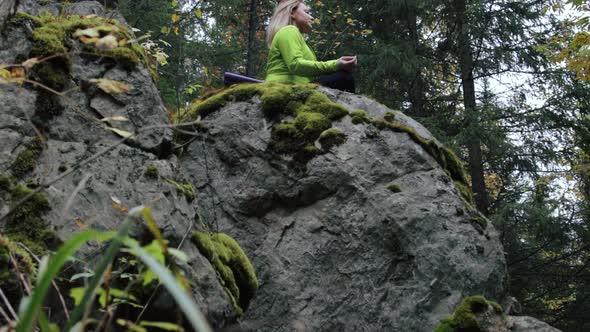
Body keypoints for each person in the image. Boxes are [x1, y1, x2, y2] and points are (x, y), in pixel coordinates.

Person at [265, 0, 357, 92]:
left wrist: (338, 65)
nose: (311, 17)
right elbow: (295, 64)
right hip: (286, 87)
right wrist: (336, 65)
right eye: (307, 12)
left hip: (298, 87)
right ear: (292, 13)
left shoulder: (296, 36)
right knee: (345, 77)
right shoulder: (289, 30)